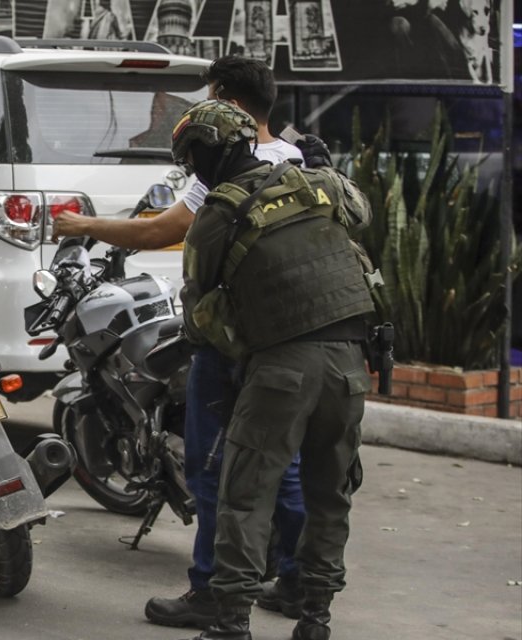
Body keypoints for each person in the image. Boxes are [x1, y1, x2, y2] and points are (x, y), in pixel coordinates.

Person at [53, 55, 320, 629]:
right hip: (294, 335)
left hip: (228, 338)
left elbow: (159, 230)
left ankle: (209, 592)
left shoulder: (225, 161)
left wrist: (82, 226)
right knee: (286, 463)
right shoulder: (303, 159)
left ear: (224, 97)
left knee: (211, 467)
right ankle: (298, 582)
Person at [170, 99, 373, 640]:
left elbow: (199, 310)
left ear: (205, 156)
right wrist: (327, 169)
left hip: (283, 368)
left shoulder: (219, 211)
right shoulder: (313, 183)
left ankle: (233, 622)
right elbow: (362, 215)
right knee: (330, 493)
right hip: (351, 364)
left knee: (245, 494)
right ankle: (315, 618)